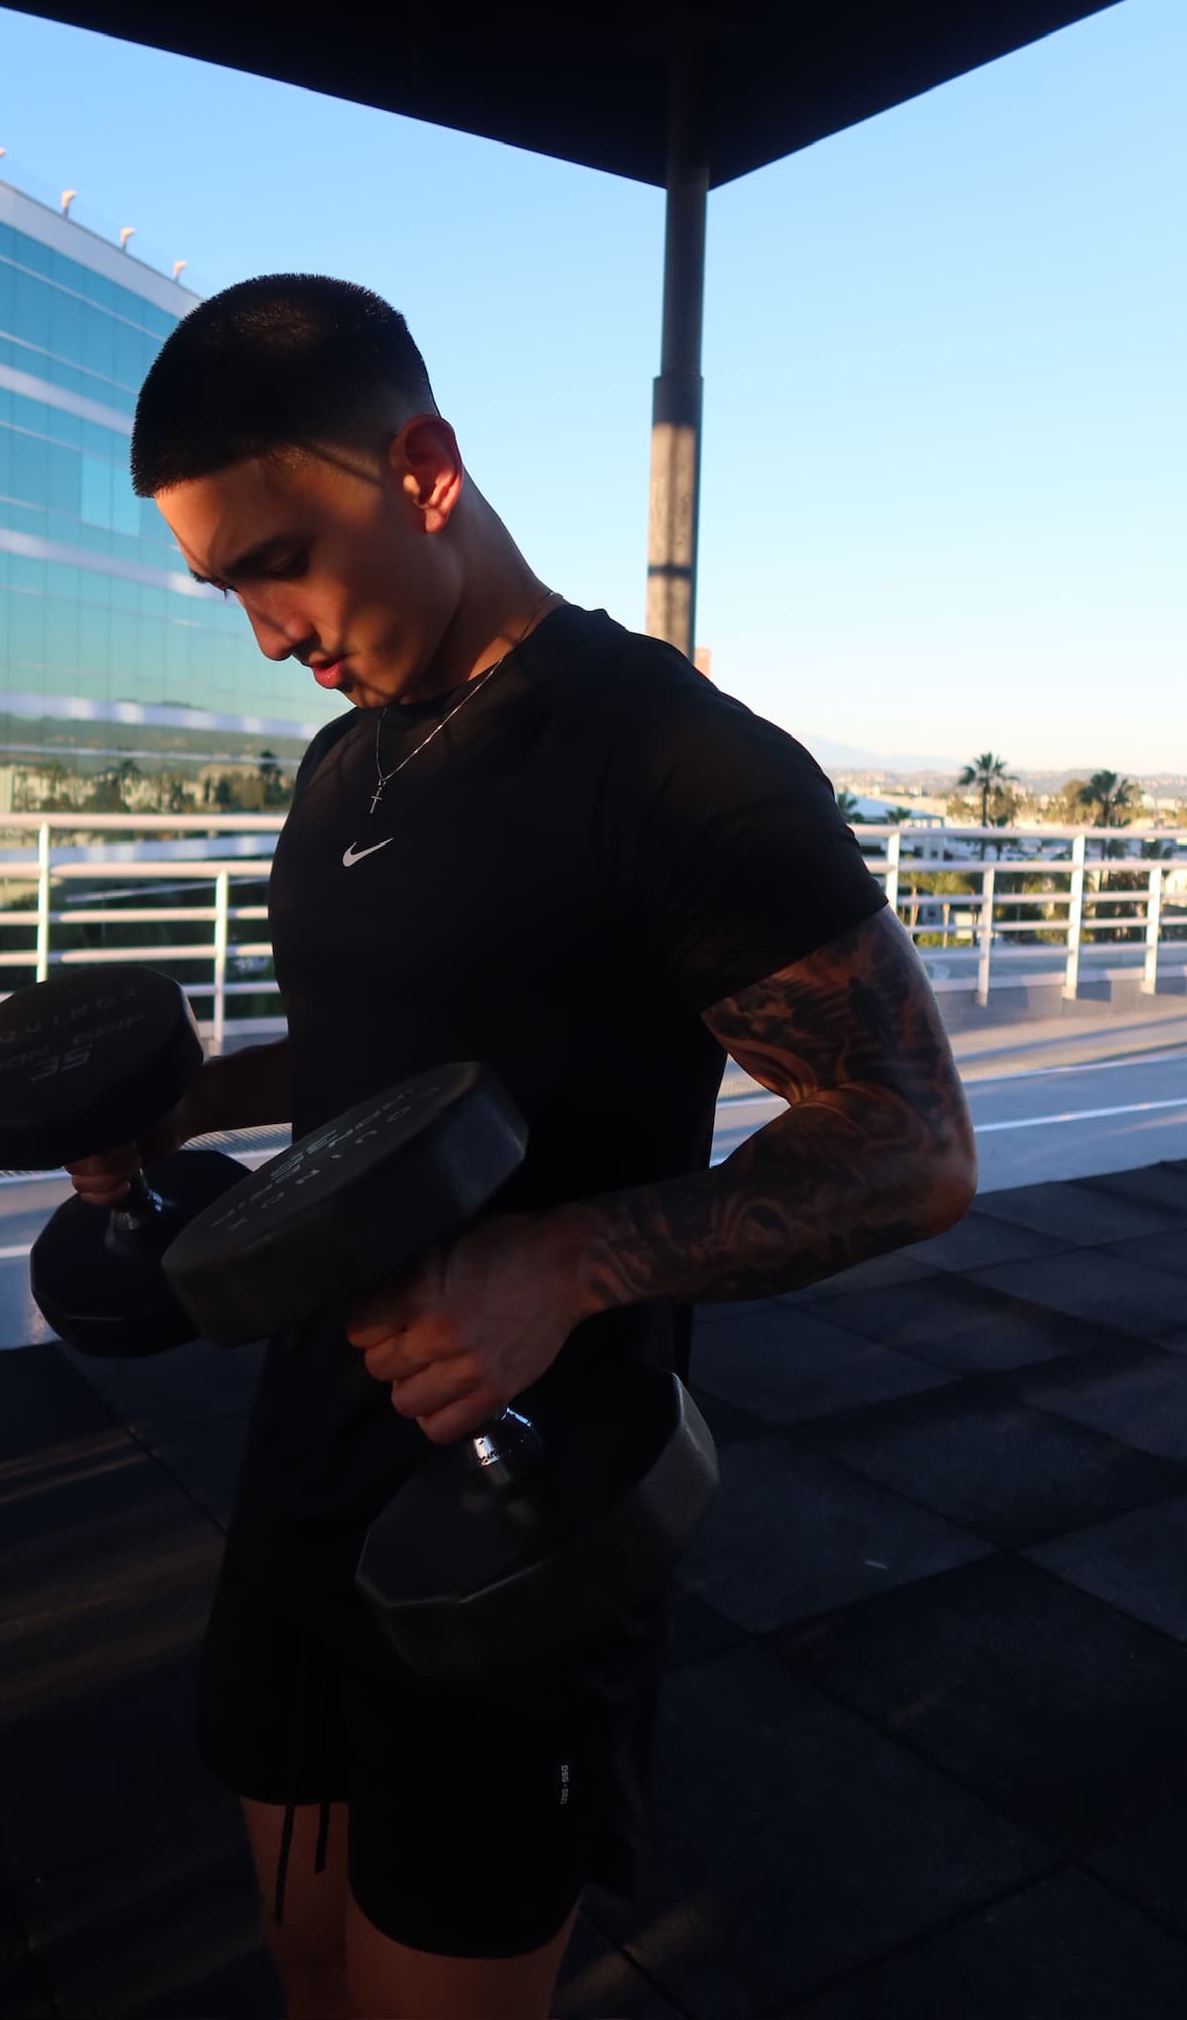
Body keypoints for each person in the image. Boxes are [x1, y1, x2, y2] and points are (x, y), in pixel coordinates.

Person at [70, 275, 976, 2020]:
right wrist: (190, 1104)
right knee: (308, 1972)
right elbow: (390, 1063)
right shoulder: (345, 764)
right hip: (307, 1466)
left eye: (279, 563)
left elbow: (914, 1144)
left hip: (522, 1520)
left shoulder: (678, 762)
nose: (266, 631)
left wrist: (562, 1265)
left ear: (423, 470)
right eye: (226, 587)